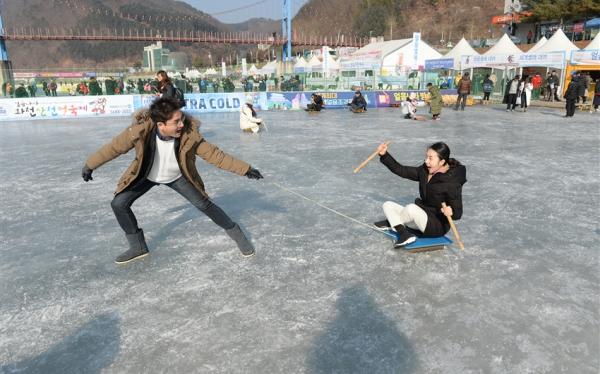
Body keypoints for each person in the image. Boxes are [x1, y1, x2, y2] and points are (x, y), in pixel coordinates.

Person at [81, 97, 264, 264]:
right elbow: (113, 148)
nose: (181, 124)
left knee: (204, 205)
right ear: (161, 125)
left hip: (178, 176)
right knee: (118, 204)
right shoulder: (139, 131)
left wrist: (245, 169)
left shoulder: (189, 135)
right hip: (146, 175)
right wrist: (90, 165)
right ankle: (138, 246)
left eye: (182, 119)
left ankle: (237, 234)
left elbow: (216, 155)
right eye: (176, 122)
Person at [373, 142, 466, 247]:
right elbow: (402, 170)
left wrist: (451, 211)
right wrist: (384, 155)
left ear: (442, 161)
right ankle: (400, 229)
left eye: (430, 158)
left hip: (436, 226)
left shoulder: (452, 182)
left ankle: (395, 224)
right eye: (426, 157)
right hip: (421, 217)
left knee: (411, 208)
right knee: (388, 205)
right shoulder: (424, 171)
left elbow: (458, 213)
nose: (426, 161)